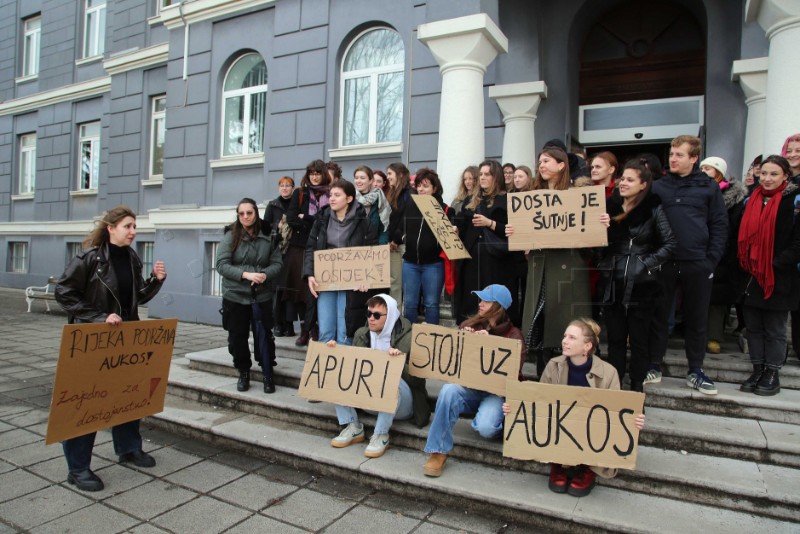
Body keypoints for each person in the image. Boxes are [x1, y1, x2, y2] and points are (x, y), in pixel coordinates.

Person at [55, 205, 167, 492]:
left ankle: (128, 449)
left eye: (134, 227)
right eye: (128, 226)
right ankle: (78, 468)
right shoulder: (89, 258)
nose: (133, 232)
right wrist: (99, 317)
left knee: (128, 396)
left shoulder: (131, 257)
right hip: (93, 342)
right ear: (111, 228)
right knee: (87, 403)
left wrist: (157, 281)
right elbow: (64, 292)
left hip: (124, 339)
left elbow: (136, 296)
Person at [503, 319, 645, 496]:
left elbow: (615, 415)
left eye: (571, 337)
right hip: (561, 429)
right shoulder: (554, 366)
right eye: (565, 336)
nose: (564, 341)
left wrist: (633, 422)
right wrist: (515, 409)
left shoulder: (608, 373)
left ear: (587, 346)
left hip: (591, 433)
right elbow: (538, 403)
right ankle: (558, 463)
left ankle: (588, 468)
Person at [509, 148, 602, 376]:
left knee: (563, 326)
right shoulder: (533, 197)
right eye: (539, 161)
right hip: (540, 268)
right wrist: (515, 230)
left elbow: (590, 236)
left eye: (547, 161)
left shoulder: (578, 195)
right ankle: (544, 378)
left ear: (561, 165)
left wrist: (600, 222)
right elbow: (525, 232)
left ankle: (568, 379)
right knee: (539, 328)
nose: (541, 165)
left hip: (566, 270)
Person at [647, 135, 728, 395]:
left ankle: (695, 370)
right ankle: (653, 365)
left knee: (696, 318)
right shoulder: (658, 187)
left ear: (694, 158)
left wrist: (710, 260)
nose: (673, 158)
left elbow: (719, 225)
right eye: (671, 153)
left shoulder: (708, 187)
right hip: (664, 262)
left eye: (679, 155)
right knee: (659, 315)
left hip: (697, 262)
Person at [423, 285, 526, 477]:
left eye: (486, 301)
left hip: (496, 394)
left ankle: (502, 423)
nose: (480, 303)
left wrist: (490, 343)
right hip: (469, 389)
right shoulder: (469, 325)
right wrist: (465, 341)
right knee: (448, 390)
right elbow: (454, 365)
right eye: (481, 299)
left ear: (499, 306)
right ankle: (438, 450)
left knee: (486, 428)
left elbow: (512, 375)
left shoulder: (514, 336)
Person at [598, 160, 676, 391]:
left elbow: (670, 243)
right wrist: (603, 229)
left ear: (643, 185)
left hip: (643, 286)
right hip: (613, 282)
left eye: (630, 179)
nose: (623, 183)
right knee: (615, 340)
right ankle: (615, 387)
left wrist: (644, 264)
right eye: (622, 179)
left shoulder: (654, 208)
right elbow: (597, 247)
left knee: (640, 341)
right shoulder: (608, 208)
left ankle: (636, 386)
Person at [326, 294, 430, 457]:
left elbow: (419, 381)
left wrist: (399, 363)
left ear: (390, 317)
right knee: (335, 371)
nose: (371, 319)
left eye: (376, 315)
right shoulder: (361, 334)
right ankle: (352, 426)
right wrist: (335, 353)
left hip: (402, 402)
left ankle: (381, 434)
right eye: (368, 314)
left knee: (387, 379)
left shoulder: (411, 338)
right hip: (370, 398)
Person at [737, 156, 800, 396]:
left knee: (774, 328)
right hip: (751, 275)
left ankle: (772, 372)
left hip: (779, 276)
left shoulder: (793, 201)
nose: (767, 178)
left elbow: (797, 242)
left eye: (774, 174)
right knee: (753, 327)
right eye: (764, 173)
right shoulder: (750, 200)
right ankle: (758, 368)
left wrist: (775, 262)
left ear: (785, 176)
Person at [216, 198, 283, 393]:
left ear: (256, 213)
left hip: (261, 295)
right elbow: (221, 264)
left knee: (264, 336)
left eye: (249, 213)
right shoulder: (231, 235)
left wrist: (265, 274)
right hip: (235, 295)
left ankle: (267, 373)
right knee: (237, 336)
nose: (245, 217)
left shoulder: (268, 234)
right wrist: (245, 274)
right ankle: (243, 371)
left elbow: (277, 263)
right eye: (241, 213)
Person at [305, 179, 378, 345]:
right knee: (325, 331)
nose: (331, 198)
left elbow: (372, 252)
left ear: (349, 199)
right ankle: (325, 369)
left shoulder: (363, 222)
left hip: (351, 283)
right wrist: (309, 274)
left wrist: (367, 277)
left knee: (346, 331)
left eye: (337, 195)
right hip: (325, 280)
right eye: (331, 195)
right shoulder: (322, 219)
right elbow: (310, 247)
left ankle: (344, 370)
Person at [453, 160, 516, 324]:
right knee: (471, 300)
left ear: (496, 177)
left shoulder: (507, 200)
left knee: (492, 303)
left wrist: (489, 223)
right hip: (472, 261)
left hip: (495, 262)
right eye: (480, 174)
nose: (482, 177)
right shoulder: (471, 200)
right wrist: (456, 229)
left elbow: (511, 231)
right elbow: (463, 225)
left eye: (487, 174)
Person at [698, 157, 747, 354]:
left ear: (719, 173)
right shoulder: (695, 193)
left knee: (716, 300)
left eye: (708, 168)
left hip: (722, 255)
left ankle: (714, 337)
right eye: (701, 168)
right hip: (697, 251)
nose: (703, 172)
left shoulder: (733, 199)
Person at [287, 160, 331, 346]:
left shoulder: (331, 193)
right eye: (311, 173)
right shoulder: (300, 193)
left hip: (322, 248)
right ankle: (305, 329)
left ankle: (315, 327)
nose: (314, 176)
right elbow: (291, 219)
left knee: (316, 291)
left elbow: (328, 220)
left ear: (323, 175)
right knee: (300, 291)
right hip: (299, 247)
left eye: (318, 173)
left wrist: (307, 218)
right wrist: (313, 222)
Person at [401, 168, 449, 325]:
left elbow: (452, 235)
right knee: (409, 304)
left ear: (435, 188)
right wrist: (403, 238)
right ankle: (407, 339)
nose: (421, 189)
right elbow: (400, 227)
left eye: (425, 186)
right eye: (419, 186)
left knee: (431, 304)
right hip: (410, 263)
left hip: (433, 264)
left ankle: (431, 340)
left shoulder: (445, 208)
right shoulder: (410, 204)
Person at [265, 177, 297, 337]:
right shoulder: (273, 205)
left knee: (289, 289)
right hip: (277, 251)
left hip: (293, 250)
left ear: (293, 188)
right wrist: (275, 229)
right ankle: (278, 323)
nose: (285, 188)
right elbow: (265, 227)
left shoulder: (296, 203)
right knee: (277, 289)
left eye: (288, 186)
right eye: (282, 186)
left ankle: (289, 324)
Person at [386, 162, 414, 306]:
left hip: (401, 245)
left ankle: (401, 318)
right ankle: (394, 315)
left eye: (390, 173)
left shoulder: (409, 193)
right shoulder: (393, 193)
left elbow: (406, 220)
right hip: (393, 244)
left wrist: (396, 240)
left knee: (402, 283)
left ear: (400, 174)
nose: (388, 177)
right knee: (394, 282)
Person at [354, 165, 391, 245]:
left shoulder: (379, 199)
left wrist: (381, 245)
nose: (358, 181)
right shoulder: (349, 198)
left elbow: (384, 228)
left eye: (362, 178)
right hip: (354, 249)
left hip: (373, 249)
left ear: (371, 181)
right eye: (356, 178)